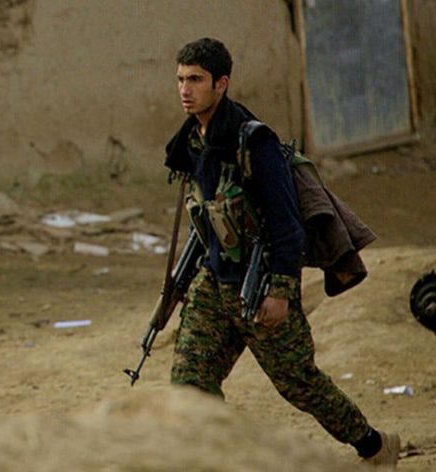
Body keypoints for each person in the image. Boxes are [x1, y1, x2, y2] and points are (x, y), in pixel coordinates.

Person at [163, 38, 399, 467]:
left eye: (195, 79)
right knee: (188, 385)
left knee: (299, 383)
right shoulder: (191, 141)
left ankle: (374, 445)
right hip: (214, 285)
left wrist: (280, 290)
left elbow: (287, 224)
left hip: (259, 286)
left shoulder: (255, 142)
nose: (185, 89)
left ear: (221, 84)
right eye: (180, 79)